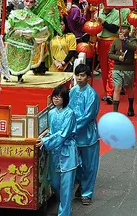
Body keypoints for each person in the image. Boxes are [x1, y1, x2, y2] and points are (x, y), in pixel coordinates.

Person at [37, 85, 79, 216]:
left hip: (67, 151)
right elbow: (52, 131)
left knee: (66, 186)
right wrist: (44, 137)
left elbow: (63, 134)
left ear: (64, 98)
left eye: (59, 96)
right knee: (55, 183)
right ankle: (64, 205)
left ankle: (64, 212)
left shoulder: (70, 113)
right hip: (55, 152)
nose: (56, 99)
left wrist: (46, 141)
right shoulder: (51, 113)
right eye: (54, 96)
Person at [69, 64, 99, 205]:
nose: (79, 78)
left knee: (89, 166)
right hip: (73, 135)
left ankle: (87, 193)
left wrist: (71, 128)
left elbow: (88, 116)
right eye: (77, 75)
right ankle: (81, 185)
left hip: (88, 136)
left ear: (88, 77)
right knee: (76, 164)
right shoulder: (73, 91)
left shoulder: (92, 94)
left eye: (82, 75)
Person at [108, 25, 137, 115]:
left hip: (129, 68)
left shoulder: (132, 39)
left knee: (129, 88)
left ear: (129, 30)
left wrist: (124, 40)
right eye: (121, 28)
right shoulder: (116, 40)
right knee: (117, 88)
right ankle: (115, 111)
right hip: (117, 67)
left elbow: (133, 48)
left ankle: (131, 107)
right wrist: (117, 57)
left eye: (124, 28)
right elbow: (110, 54)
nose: (122, 30)